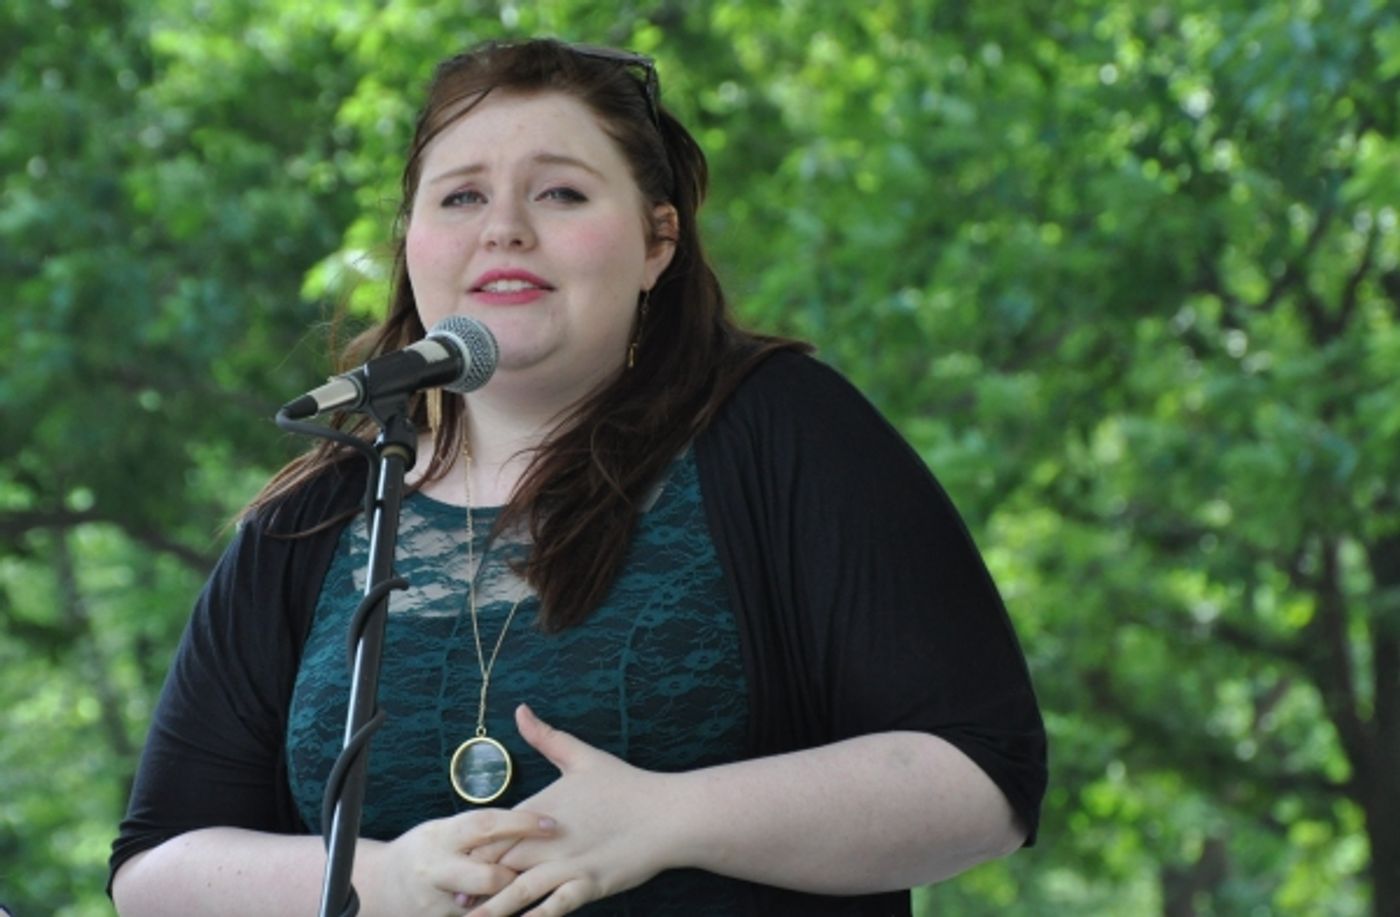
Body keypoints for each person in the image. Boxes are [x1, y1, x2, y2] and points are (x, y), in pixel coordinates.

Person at [109, 38, 1046, 917]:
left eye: (559, 194)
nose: (505, 229)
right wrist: (384, 878)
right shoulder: (316, 512)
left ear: (657, 242)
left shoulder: (781, 430)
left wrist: (671, 816)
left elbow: (982, 778)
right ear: (411, 241)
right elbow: (154, 869)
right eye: (461, 197)